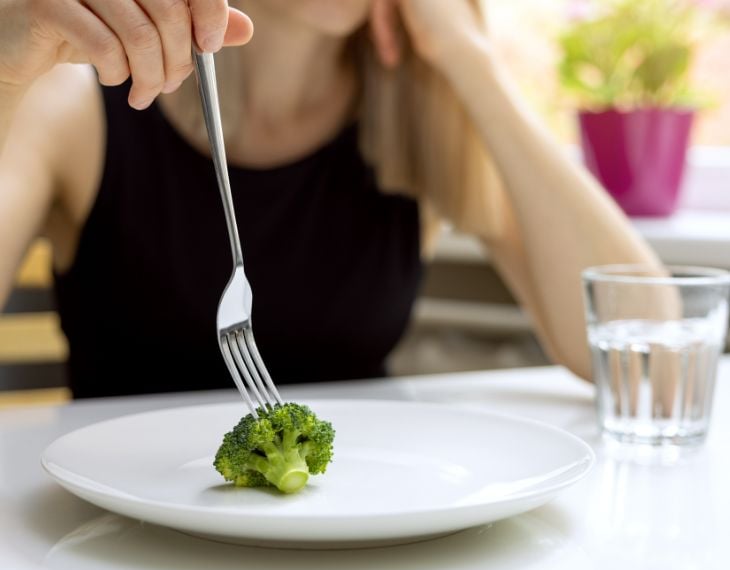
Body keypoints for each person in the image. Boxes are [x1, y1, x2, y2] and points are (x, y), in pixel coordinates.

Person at [0, 0, 659, 398]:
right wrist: (4, 72)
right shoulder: (73, 105)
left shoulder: (418, 118)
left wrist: (468, 56)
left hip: (359, 547)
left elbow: (649, 360)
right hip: (108, 550)